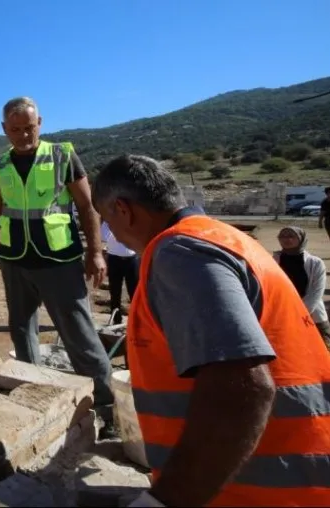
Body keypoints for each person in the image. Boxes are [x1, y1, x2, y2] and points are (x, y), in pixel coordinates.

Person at [93, 154, 330, 508]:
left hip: (261, 491)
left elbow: (242, 389)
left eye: (107, 219)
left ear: (123, 210)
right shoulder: (222, 238)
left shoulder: (181, 253)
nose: (111, 231)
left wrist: (165, 500)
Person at [0, 96, 114, 437]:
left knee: (79, 335)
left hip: (59, 261)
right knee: (22, 332)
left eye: (29, 127)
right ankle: (32, 394)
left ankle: (107, 406)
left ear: (40, 123)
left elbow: (87, 207)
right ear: (4, 129)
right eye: (15, 129)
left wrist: (95, 252)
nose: (24, 135)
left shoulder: (62, 156)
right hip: (15, 261)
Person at [274, 226, 330, 349]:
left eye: (291, 236)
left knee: (322, 349)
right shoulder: (273, 261)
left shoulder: (315, 262)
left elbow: (316, 292)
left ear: (301, 238)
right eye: (282, 236)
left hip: (311, 315)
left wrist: (298, 312)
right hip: (283, 314)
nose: (286, 239)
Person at [101, 220, 138, 324]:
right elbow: (104, 237)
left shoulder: (132, 218)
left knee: (134, 293)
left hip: (132, 259)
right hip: (114, 259)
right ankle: (116, 320)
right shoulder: (108, 222)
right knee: (115, 291)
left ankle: (137, 322)